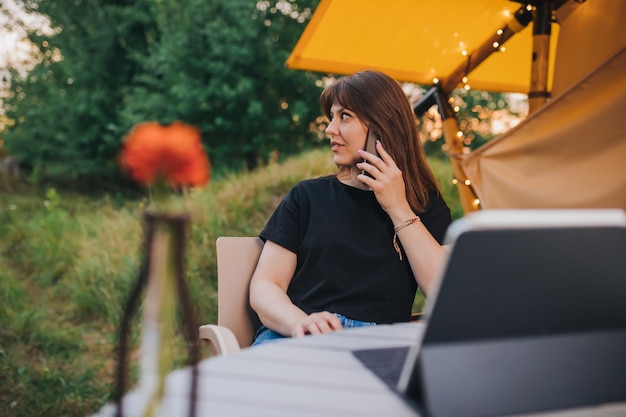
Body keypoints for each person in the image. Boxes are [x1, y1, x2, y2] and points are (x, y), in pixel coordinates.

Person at [249, 70, 452, 346]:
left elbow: (446, 293)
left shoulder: (424, 205)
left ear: (383, 126)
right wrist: (300, 323)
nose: (330, 129)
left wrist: (399, 209)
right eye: (331, 117)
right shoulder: (306, 197)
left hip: (379, 344)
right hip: (299, 336)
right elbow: (265, 287)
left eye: (344, 116)